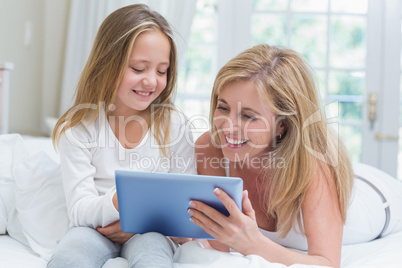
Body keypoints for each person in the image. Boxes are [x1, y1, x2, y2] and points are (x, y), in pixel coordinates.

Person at [190, 44, 402, 268]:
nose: (227, 127)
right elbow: (218, 244)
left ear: (282, 125)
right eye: (223, 108)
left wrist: (253, 244)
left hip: (379, 198)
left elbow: (327, 263)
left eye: (248, 116)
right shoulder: (210, 146)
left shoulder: (314, 165)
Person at [47, 4, 196, 268]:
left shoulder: (175, 125)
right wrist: (121, 201)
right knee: (68, 258)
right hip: (95, 231)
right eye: (139, 69)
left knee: (153, 258)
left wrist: (137, 222)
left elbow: (185, 204)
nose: (152, 81)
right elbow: (80, 210)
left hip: (152, 231)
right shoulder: (80, 128)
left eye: (162, 71)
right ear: (108, 64)